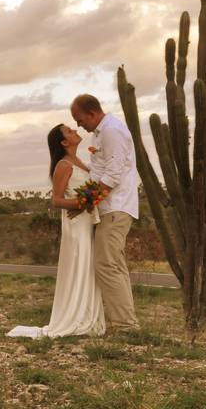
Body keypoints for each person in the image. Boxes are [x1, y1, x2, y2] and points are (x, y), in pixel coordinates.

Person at [6, 124, 105, 338]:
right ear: (63, 142)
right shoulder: (63, 165)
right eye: (69, 131)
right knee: (79, 264)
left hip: (86, 221)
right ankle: (74, 317)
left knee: (88, 267)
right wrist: (82, 204)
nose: (75, 131)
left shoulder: (80, 162)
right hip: (76, 225)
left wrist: (89, 201)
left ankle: (87, 314)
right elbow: (57, 200)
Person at [70, 94, 140, 331]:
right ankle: (126, 321)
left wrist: (86, 202)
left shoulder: (111, 131)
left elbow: (113, 174)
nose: (79, 125)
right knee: (114, 265)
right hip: (109, 207)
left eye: (79, 120)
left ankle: (125, 324)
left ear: (91, 113)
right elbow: (99, 170)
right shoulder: (99, 133)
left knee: (105, 264)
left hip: (116, 207)